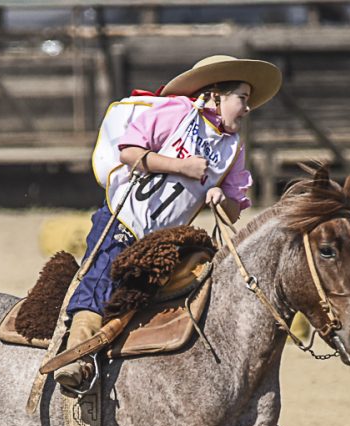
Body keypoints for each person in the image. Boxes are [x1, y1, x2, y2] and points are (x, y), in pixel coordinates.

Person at [54, 55, 283, 389]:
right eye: (242, 99)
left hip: (167, 239)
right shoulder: (175, 111)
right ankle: (75, 358)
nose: (248, 109)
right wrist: (181, 167)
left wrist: (223, 200)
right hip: (123, 219)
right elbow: (129, 152)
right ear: (216, 95)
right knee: (101, 283)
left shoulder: (233, 148)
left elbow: (234, 212)